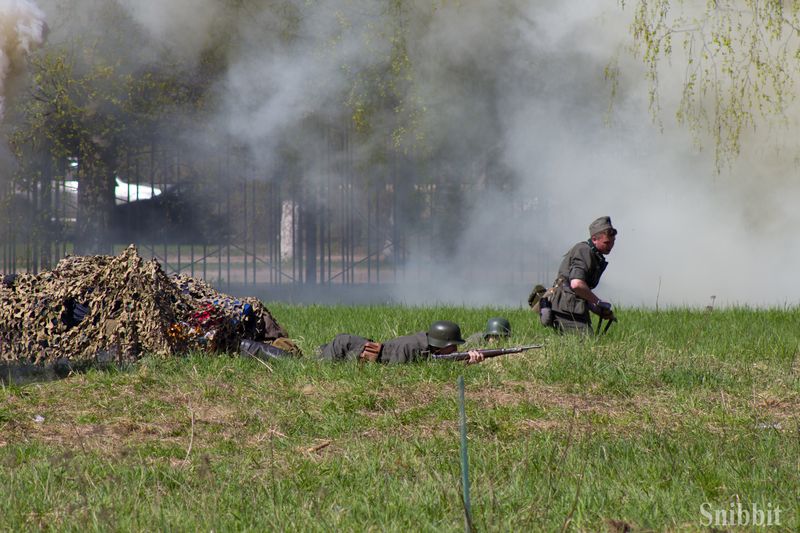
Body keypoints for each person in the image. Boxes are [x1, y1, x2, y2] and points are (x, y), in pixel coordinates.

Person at [544, 216, 617, 334]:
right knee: (586, 343)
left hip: (573, 307)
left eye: (613, 242)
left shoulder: (593, 254)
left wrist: (599, 310)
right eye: (606, 242)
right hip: (566, 308)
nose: (610, 246)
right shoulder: (584, 250)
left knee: (588, 342)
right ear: (594, 239)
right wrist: (598, 302)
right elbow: (576, 285)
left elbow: (580, 292)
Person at [318, 320, 485, 364]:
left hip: (354, 348)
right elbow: (395, 373)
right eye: (453, 346)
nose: (455, 349)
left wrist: (466, 362)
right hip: (345, 347)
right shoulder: (411, 349)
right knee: (312, 365)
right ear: (440, 346)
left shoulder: (425, 349)